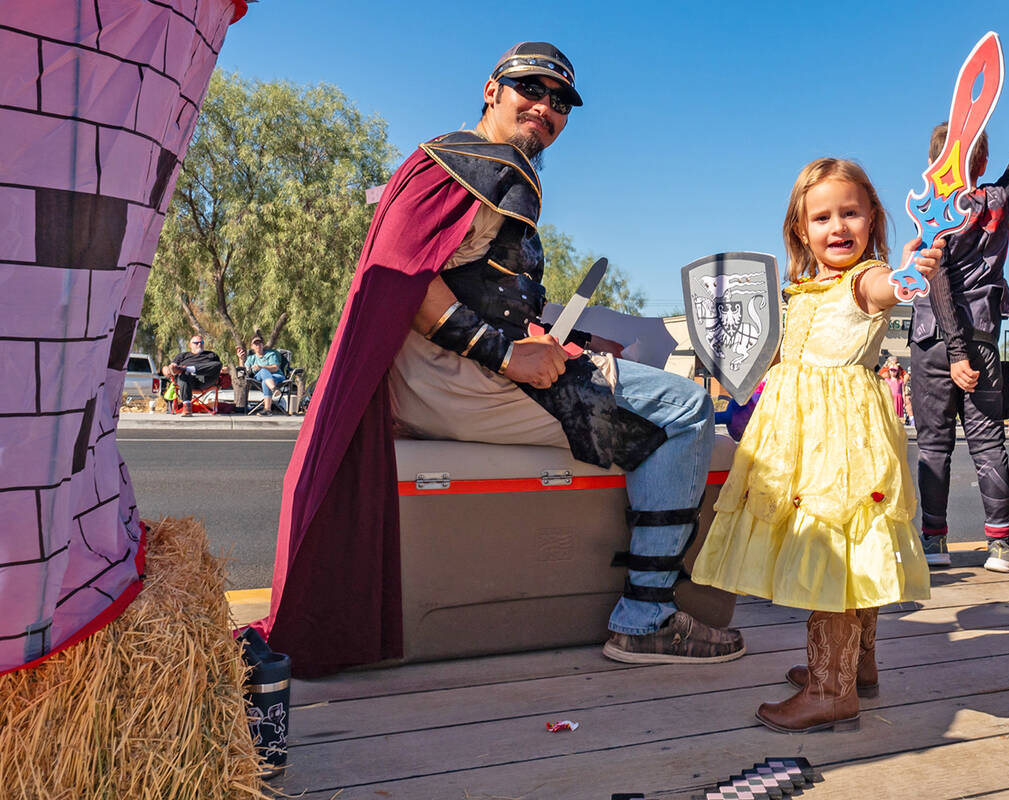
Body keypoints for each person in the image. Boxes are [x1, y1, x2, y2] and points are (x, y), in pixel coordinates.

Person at [254, 43, 743, 677]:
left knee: (648, 404)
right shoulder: (462, 165)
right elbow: (403, 280)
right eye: (531, 90)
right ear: (493, 89)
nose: (546, 108)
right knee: (684, 404)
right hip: (457, 382)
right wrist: (509, 354)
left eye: (561, 102)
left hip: (453, 377)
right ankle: (646, 618)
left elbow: (474, 290)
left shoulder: (476, 167)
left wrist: (559, 344)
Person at [692, 158, 943, 733]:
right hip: (802, 434)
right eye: (822, 217)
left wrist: (907, 273)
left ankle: (833, 687)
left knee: (833, 545)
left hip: (839, 440)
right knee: (846, 541)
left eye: (850, 213)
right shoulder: (806, 287)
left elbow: (885, 290)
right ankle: (859, 666)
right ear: (801, 230)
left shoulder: (863, 279)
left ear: (872, 218)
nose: (837, 227)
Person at [908, 127, 1009, 574]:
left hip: (932, 339)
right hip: (981, 336)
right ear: (981, 163)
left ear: (934, 163)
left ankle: (934, 540)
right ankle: (1000, 546)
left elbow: (938, 280)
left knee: (933, 445)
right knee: (987, 443)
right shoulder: (999, 199)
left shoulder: (935, 212)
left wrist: (954, 351)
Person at [161, 334, 222, 417]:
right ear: (190, 345)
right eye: (196, 343)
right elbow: (171, 367)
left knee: (218, 364)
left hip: (205, 380)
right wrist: (166, 369)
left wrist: (226, 370)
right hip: (186, 380)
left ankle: (188, 368)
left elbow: (218, 367)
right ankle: (187, 406)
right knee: (184, 374)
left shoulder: (211, 355)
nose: (199, 344)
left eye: (201, 342)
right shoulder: (182, 356)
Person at [237, 336, 285, 415]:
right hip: (259, 377)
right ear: (252, 346)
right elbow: (243, 371)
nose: (258, 345)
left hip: (276, 376)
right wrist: (241, 359)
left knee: (265, 380)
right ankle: (274, 389)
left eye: (260, 343)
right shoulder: (251, 358)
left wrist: (261, 367)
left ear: (263, 345)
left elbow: (275, 368)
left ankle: (267, 410)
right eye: (255, 344)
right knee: (263, 372)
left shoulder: (270, 354)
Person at [879, 356, 906, 421]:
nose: (897, 363)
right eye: (896, 362)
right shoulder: (885, 375)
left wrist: (902, 380)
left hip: (898, 397)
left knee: (897, 415)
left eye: (897, 362)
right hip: (890, 396)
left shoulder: (900, 379)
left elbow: (906, 375)